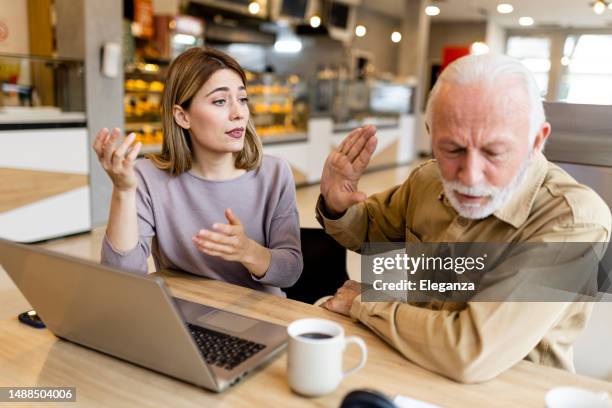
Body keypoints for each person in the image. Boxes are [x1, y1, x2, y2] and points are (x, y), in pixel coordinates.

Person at [316, 54, 611, 382]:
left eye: (493, 152)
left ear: (537, 141)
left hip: (511, 394)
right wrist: (338, 203)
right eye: (452, 149)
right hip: (416, 365)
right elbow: (370, 231)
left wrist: (365, 303)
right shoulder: (428, 180)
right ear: (430, 133)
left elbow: (470, 351)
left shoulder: (574, 221)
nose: (469, 176)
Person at [94, 47, 303, 296]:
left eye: (243, 99)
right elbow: (122, 278)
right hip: (183, 316)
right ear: (182, 117)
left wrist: (248, 251)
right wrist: (124, 191)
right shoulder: (147, 177)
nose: (239, 113)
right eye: (220, 101)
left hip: (258, 316)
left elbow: (291, 272)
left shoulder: (275, 174)